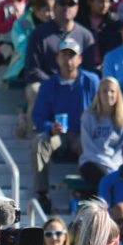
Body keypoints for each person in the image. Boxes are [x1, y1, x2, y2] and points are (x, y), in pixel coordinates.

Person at [29, 38, 100, 200]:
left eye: (72, 55)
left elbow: (101, 112)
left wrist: (89, 124)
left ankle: (85, 190)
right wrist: (50, 127)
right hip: (58, 135)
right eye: (64, 55)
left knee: (88, 142)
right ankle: (42, 193)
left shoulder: (92, 82)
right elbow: (38, 117)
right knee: (39, 142)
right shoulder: (47, 85)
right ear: (57, 59)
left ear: (80, 59)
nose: (68, 60)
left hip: (82, 134)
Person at [80, 77, 123, 188]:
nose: (108, 95)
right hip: (92, 161)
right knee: (107, 179)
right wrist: (107, 165)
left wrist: (113, 165)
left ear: (118, 94)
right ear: (98, 94)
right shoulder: (88, 117)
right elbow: (88, 148)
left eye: (112, 91)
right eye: (104, 91)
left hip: (117, 163)